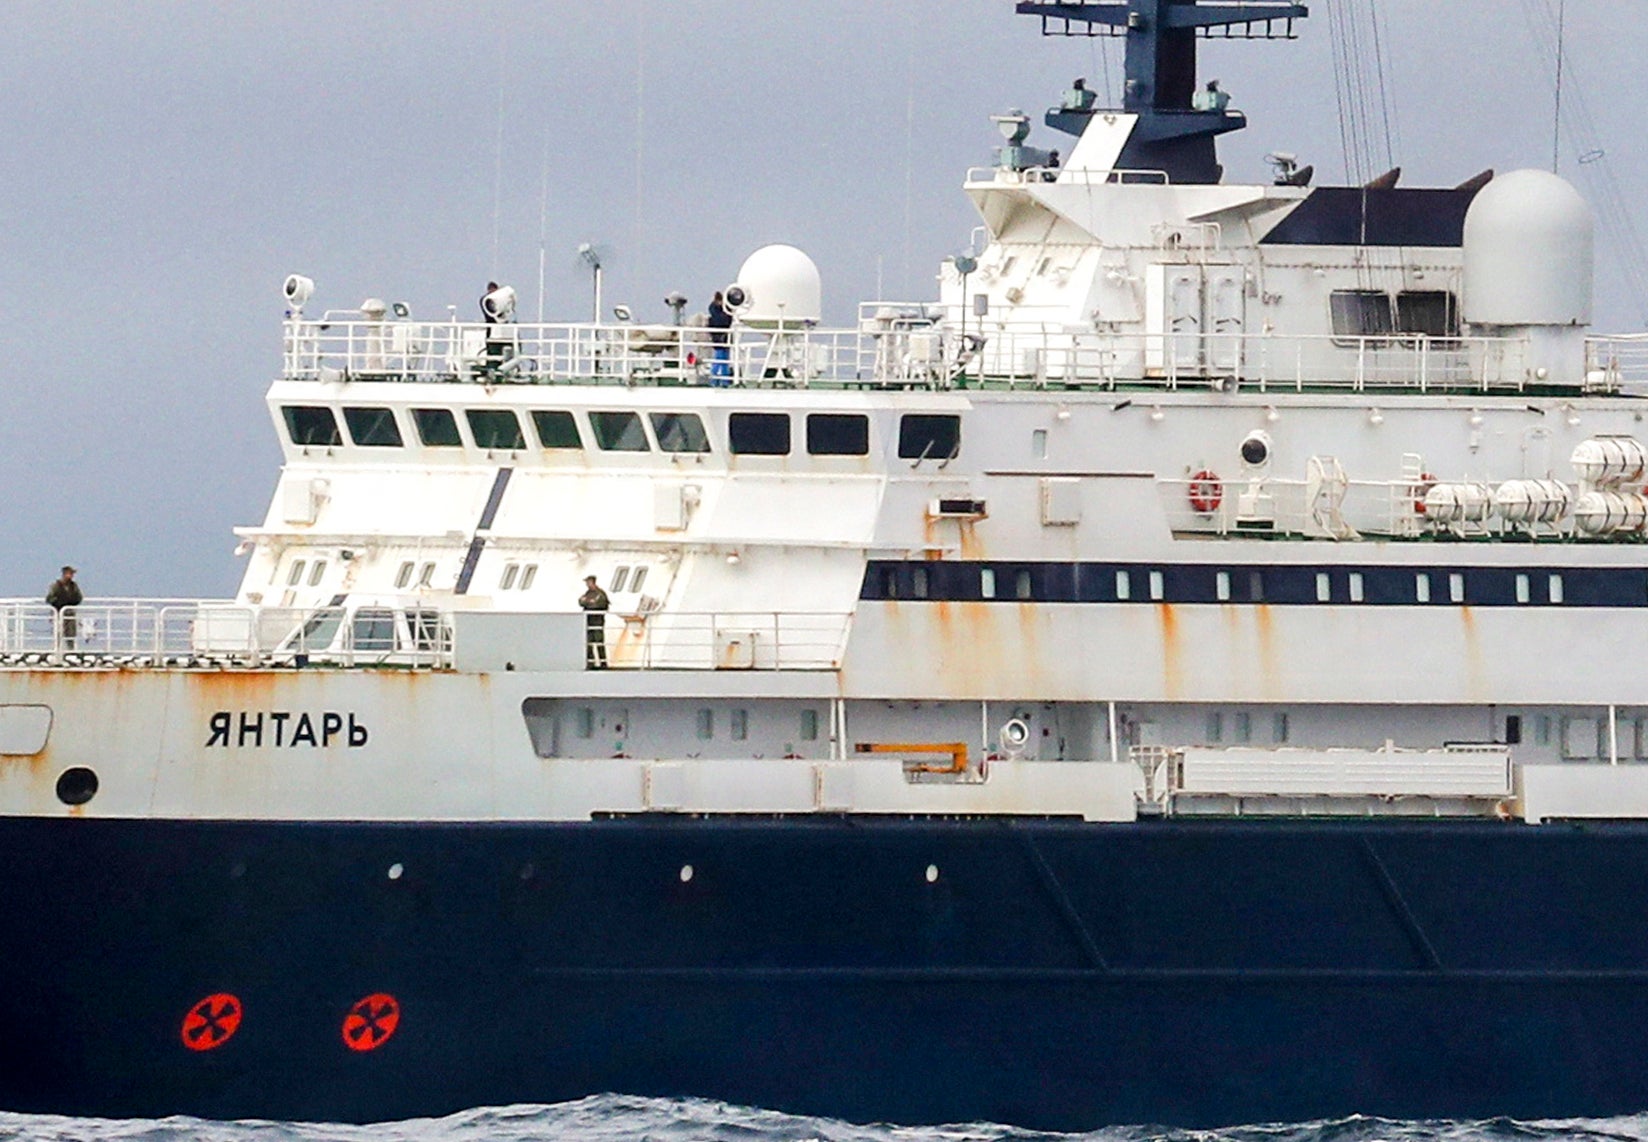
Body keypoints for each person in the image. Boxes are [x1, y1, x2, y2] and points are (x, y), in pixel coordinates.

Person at [46, 565, 82, 649]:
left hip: (70, 613)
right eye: (70, 573)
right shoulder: (56, 586)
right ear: (64, 574)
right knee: (58, 632)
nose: (71, 576)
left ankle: (71, 650)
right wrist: (59, 602)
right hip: (58, 612)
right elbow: (49, 598)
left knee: (71, 633)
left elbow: (79, 597)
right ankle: (57, 649)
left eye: (72, 574)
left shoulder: (74, 586)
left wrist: (72, 601)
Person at [579, 575, 611, 669]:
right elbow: (581, 601)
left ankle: (603, 663)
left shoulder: (600, 593)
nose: (587, 584)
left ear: (592, 582)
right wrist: (589, 602)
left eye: (588, 582)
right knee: (589, 643)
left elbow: (599, 604)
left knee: (599, 642)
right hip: (589, 621)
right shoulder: (588, 593)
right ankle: (591, 663)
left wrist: (588, 602)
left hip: (597, 622)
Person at [707, 291, 734, 383]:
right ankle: (719, 380)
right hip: (721, 337)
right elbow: (724, 321)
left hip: (720, 337)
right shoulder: (719, 311)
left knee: (722, 359)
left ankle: (719, 379)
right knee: (721, 359)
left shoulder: (713, 310)